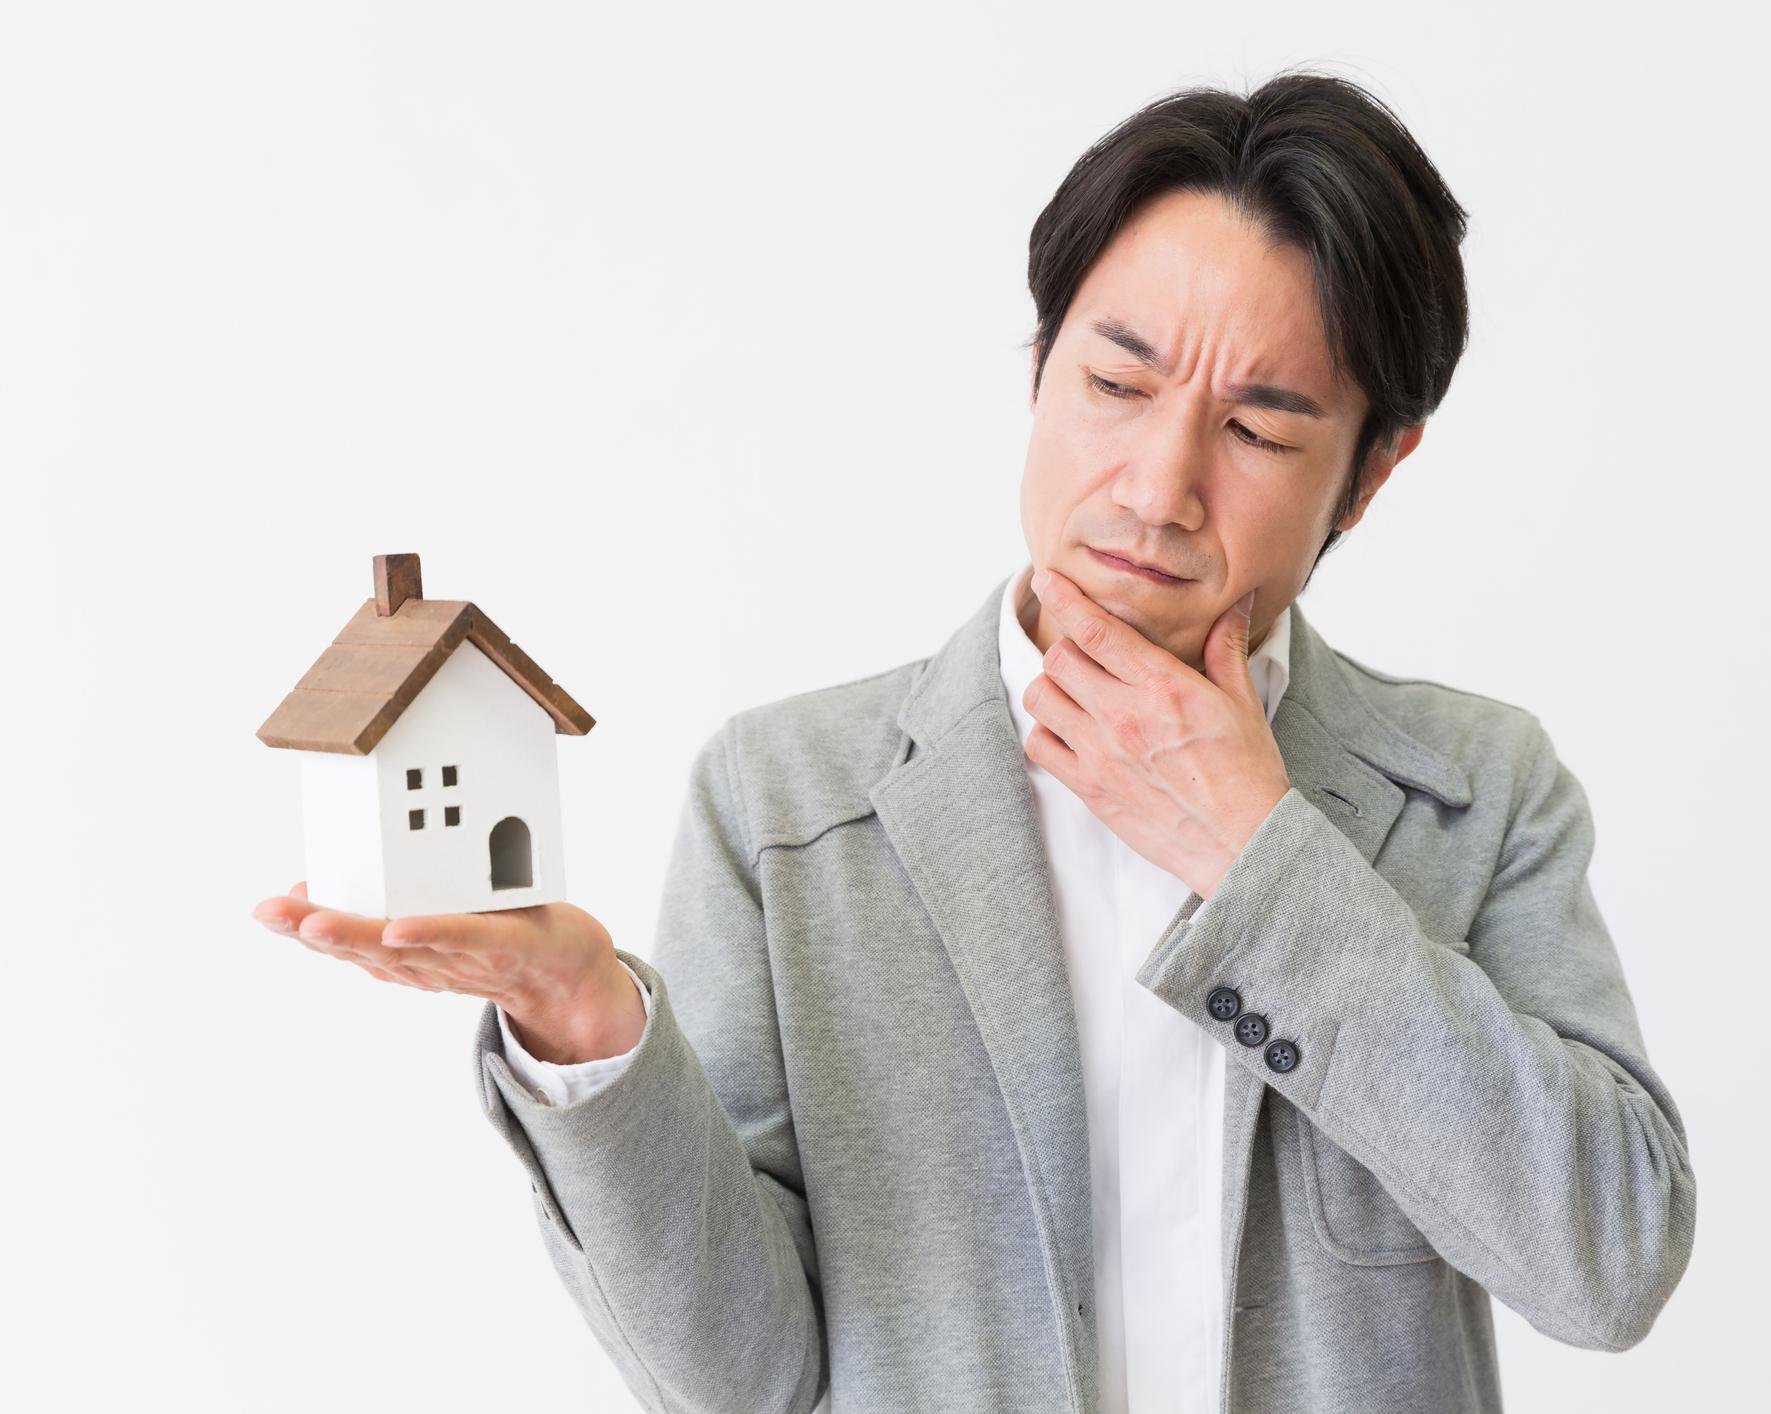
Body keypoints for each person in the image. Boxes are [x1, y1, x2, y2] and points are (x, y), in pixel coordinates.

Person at [255, 72, 1694, 1414]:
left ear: (1370, 474)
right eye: (1115, 385)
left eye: (1257, 428)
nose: (1158, 485)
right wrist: (583, 1024)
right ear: (1036, 369)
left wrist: (1258, 854)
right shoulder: (786, 800)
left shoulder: (1473, 790)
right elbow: (743, 1377)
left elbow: (1608, 1263)